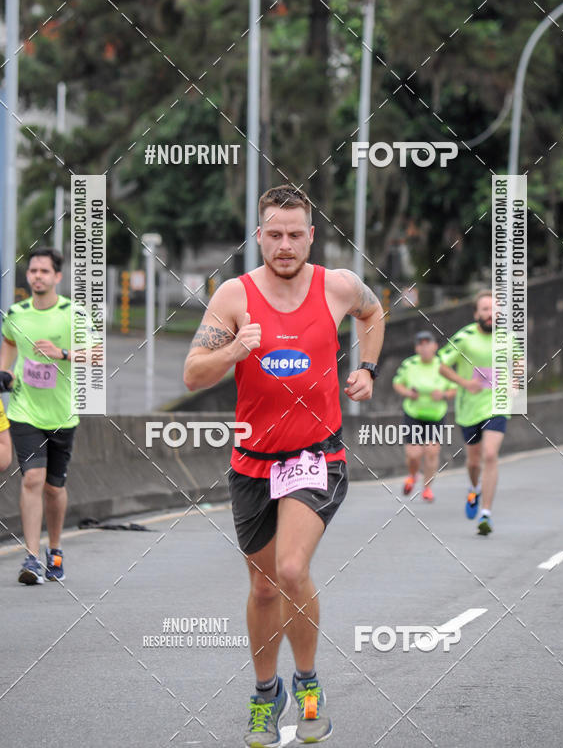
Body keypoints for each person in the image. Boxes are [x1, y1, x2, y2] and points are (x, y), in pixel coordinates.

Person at [183, 184, 384, 747]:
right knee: (265, 586)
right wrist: (234, 351)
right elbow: (194, 374)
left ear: (311, 236)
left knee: (292, 570)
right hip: (251, 462)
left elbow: (374, 310)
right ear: (259, 236)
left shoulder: (339, 285)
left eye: (296, 234)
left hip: (315, 456)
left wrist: (368, 367)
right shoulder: (233, 297)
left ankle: (309, 684)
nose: (286, 244)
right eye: (275, 234)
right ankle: (265, 694)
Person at [0, 248, 86, 584]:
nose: (37, 276)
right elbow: (8, 344)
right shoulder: (16, 314)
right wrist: (4, 372)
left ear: (57, 277)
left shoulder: (73, 314)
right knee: (32, 479)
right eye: (33, 271)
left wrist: (62, 353)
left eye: (44, 271)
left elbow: (96, 355)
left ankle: (55, 549)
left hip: (63, 414)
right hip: (25, 410)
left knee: (53, 488)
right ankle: (32, 558)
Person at [438, 290, 517, 536]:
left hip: (497, 405)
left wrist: (514, 382)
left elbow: (518, 362)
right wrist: (464, 383)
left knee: (490, 455)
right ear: (476, 314)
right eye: (485, 309)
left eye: (495, 310)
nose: (490, 314)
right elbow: (442, 365)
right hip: (469, 408)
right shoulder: (465, 337)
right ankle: (474, 488)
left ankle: (486, 514)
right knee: (473, 461)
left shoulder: (508, 338)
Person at [392, 330, 455, 502]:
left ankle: (427, 488)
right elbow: (397, 383)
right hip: (413, 413)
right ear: (416, 348)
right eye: (421, 344)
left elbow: (454, 388)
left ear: (435, 346)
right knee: (414, 454)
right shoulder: (409, 364)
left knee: (432, 452)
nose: (425, 347)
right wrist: (407, 392)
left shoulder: (443, 365)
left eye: (428, 343)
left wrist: (443, 395)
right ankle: (413, 475)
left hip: (435, 415)